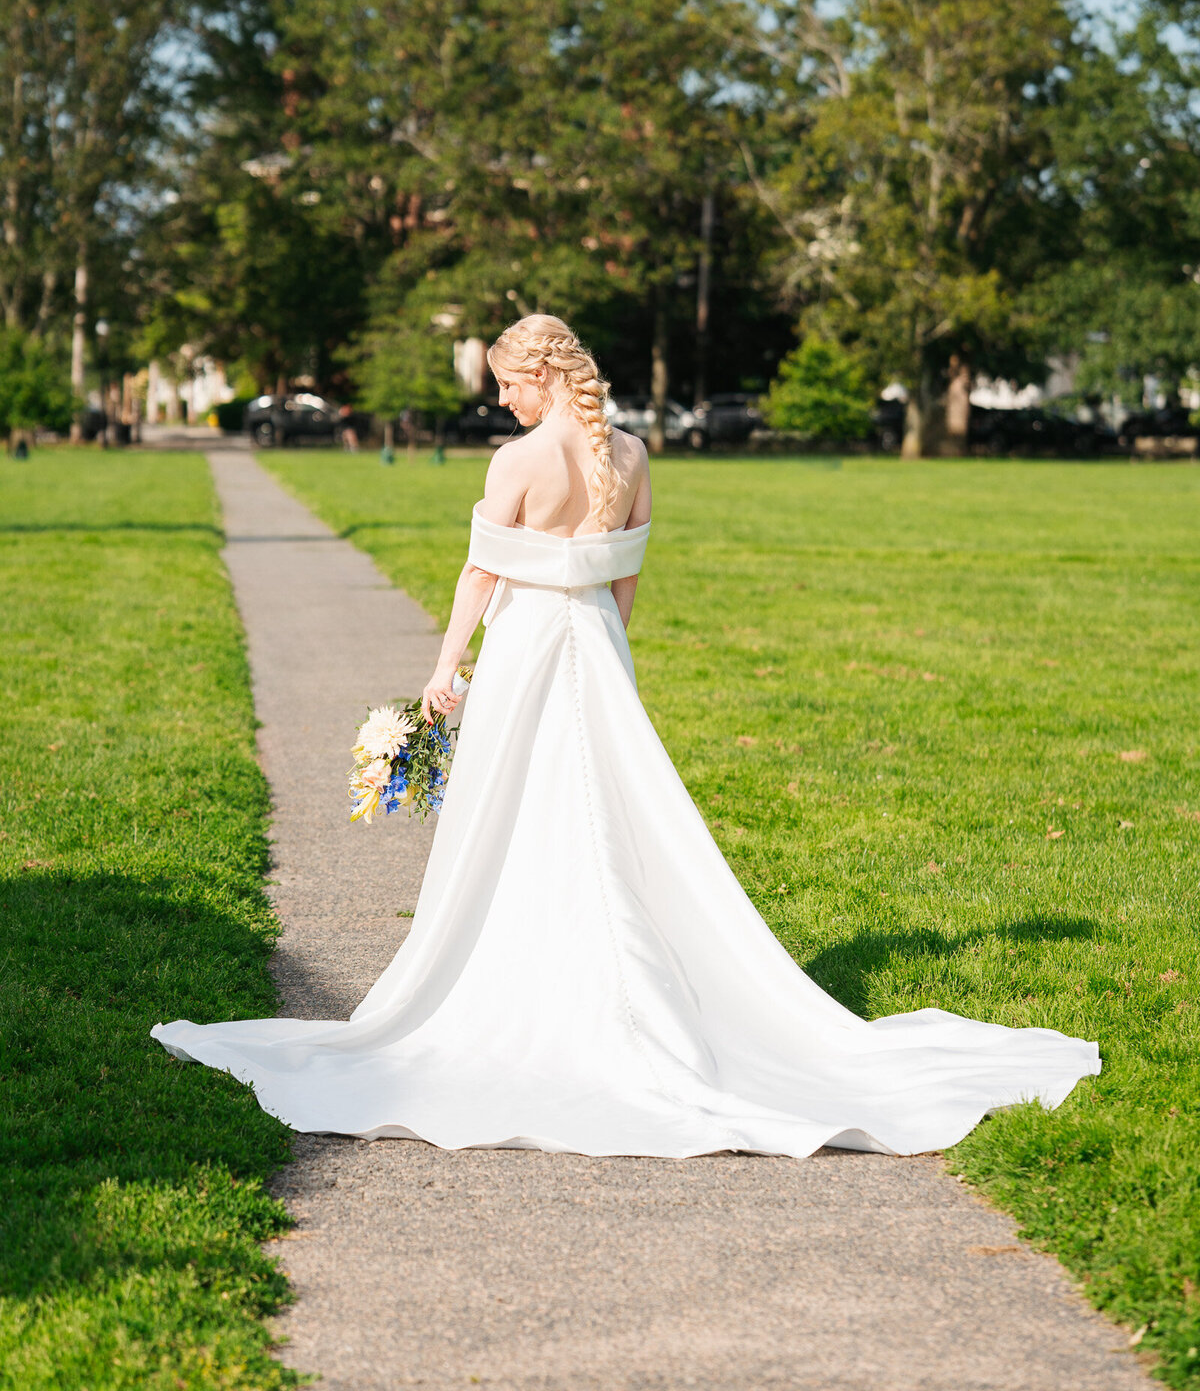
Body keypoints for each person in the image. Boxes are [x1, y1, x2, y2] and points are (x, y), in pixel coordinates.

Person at [153, 314, 1099, 1156]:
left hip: (526, 646)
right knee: (607, 812)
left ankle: (530, 987)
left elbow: (481, 575)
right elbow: (625, 577)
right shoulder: (634, 456)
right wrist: (611, 649)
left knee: (521, 813)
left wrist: (444, 668)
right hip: (597, 643)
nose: (503, 402)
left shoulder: (516, 463)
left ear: (542, 375)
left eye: (508, 385)